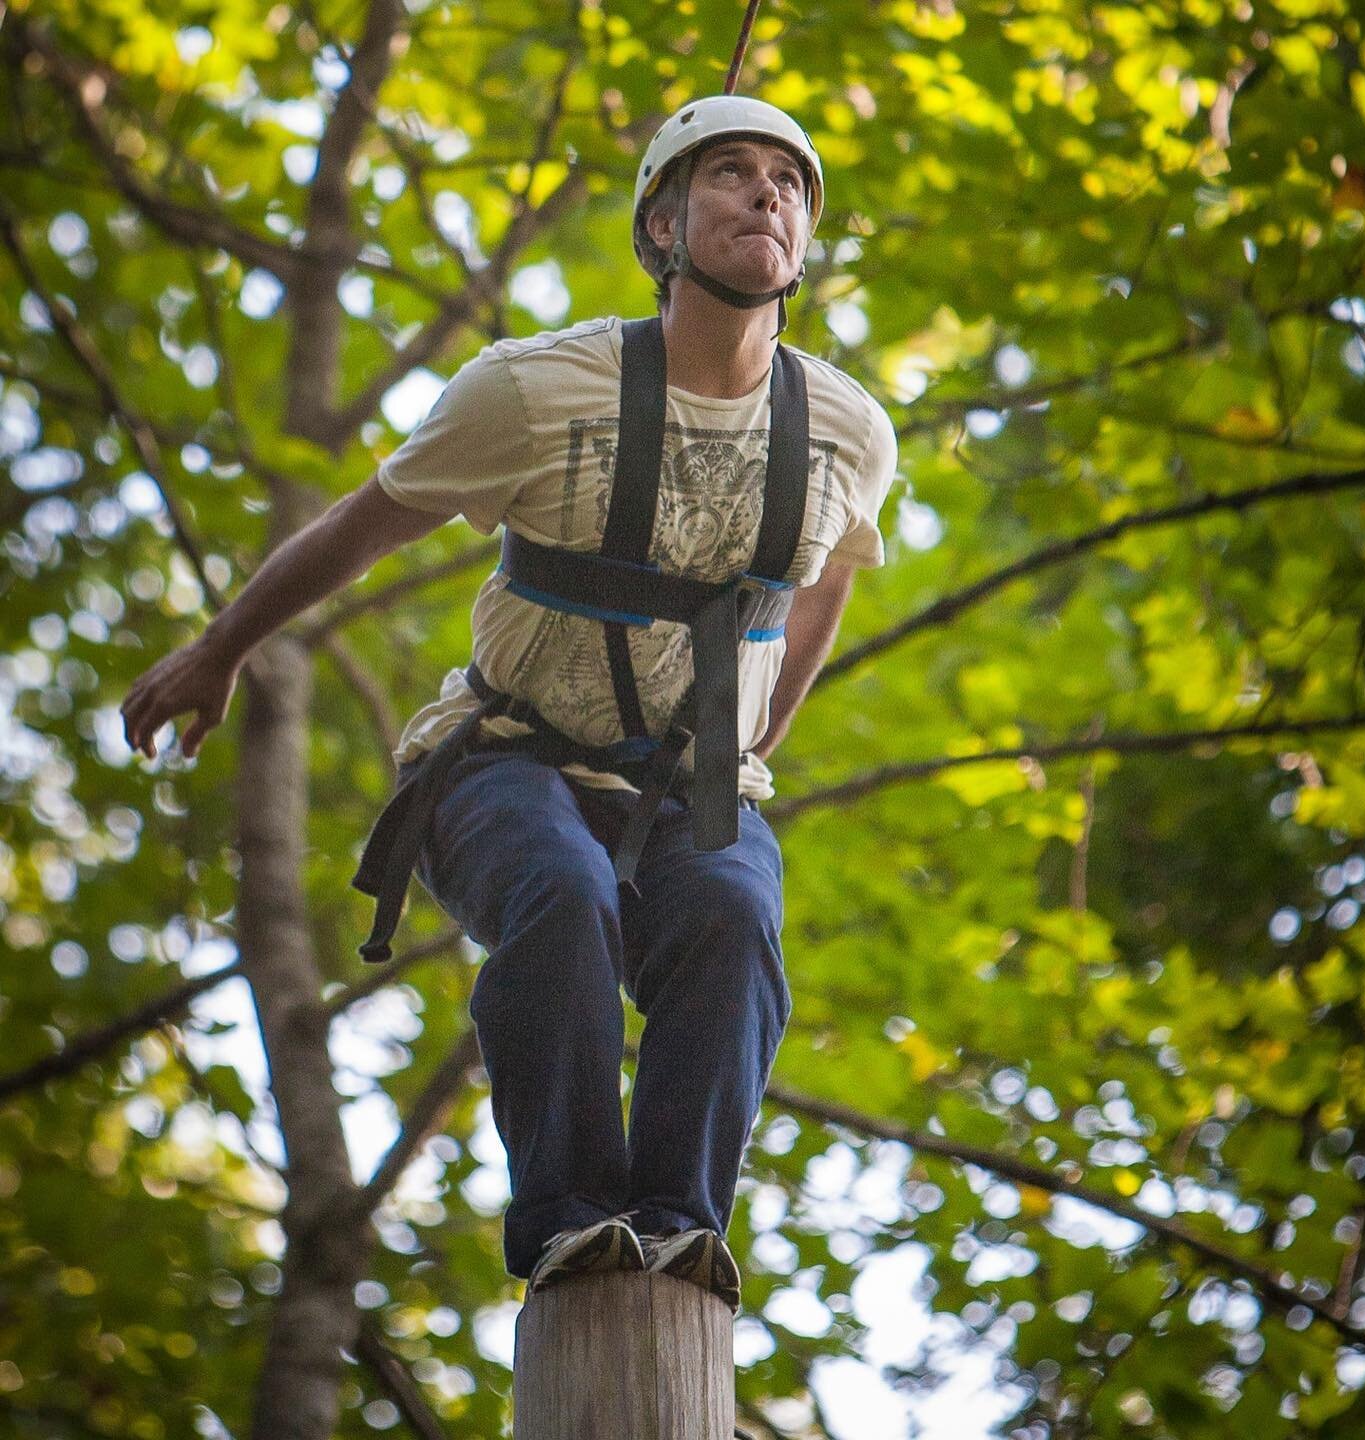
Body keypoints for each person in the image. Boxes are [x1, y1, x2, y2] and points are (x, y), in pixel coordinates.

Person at [121, 96, 897, 1316]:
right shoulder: (537, 392)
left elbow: (835, 567)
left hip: (692, 783)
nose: (767, 197)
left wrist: (764, 729)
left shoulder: (847, 427)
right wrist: (221, 651)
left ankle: (680, 1231)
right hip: (501, 762)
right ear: (661, 226)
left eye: (789, 186)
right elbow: (361, 527)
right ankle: (573, 1222)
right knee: (560, 890)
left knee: (736, 921)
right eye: (732, 175)